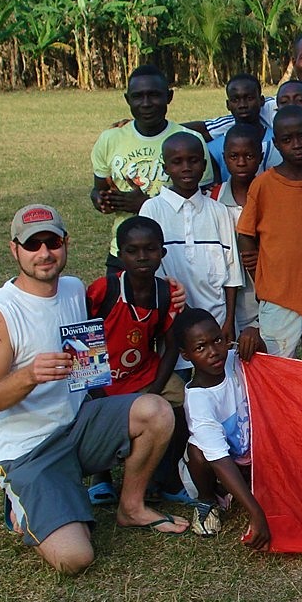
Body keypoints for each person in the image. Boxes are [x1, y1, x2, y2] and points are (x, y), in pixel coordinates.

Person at [0, 204, 189, 574]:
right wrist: (28, 375)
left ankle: (131, 507)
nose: (44, 253)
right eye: (32, 245)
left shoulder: (74, 290)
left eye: (52, 242)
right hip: (30, 451)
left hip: (79, 424)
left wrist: (168, 291)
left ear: (65, 243)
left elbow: (123, 300)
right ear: (15, 250)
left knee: (155, 409)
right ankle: (19, 501)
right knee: (75, 558)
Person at [84, 216, 186, 506]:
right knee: (91, 411)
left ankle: (166, 475)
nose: (142, 256)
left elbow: (171, 345)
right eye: (132, 250)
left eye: (151, 249)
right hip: (102, 379)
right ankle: (100, 476)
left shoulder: (165, 292)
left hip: (143, 374)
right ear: (119, 253)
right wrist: (96, 387)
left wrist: (155, 389)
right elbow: (82, 339)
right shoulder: (104, 290)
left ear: (162, 252)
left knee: (180, 398)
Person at [237, 105, 302, 358]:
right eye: (287, 139)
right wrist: (260, 273)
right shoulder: (263, 185)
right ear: (275, 143)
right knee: (277, 366)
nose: (296, 145)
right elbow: (245, 235)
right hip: (277, 297)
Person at [90, 64, 212, 272]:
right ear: (128, 99)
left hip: (175, 249)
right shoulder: (110, 139)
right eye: (138, 96)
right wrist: (101, 200)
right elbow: (98, 188)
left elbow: (204, 202)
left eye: (154, 95)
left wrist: (146, 205)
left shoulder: (188, 140)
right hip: (125, 250)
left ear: (169, 97)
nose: (146, 103)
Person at [173, 308, 270, 548]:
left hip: (253, 453)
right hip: (223, 464)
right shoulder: (198, 399)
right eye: (200, 348)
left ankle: (252, 484)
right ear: (185, 355)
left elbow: (266, 365)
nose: (213, 352)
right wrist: (256, 514)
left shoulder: (234, 360)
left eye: (217, 340)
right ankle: (207, 500)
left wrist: (254, 336)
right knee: (198, 450)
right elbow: (219, 459)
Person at [139, 132, 242, 357]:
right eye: (177, 162)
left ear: (204, 165)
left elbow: (232, 272)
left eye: (193, 161)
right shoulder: (152, 209)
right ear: (165, 167)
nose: (186, 168)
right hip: (172, 324)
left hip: (216, 323)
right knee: (179, 379)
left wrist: (230, 322)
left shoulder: (218, 211)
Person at [206, 123, 266, 359]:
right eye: (234, 156)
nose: (241, 162)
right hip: (226, 299)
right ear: (224, 158)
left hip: (264, 296)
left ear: (260, 156)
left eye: (249, 156)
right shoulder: (214, 198)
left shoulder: (271, 192)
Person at [206, 74, 274, 182]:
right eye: (235, 100)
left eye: (249, 98)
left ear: (261, 100)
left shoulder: (278, 140)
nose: (242, 105)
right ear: (228, 105)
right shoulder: (213, 149)